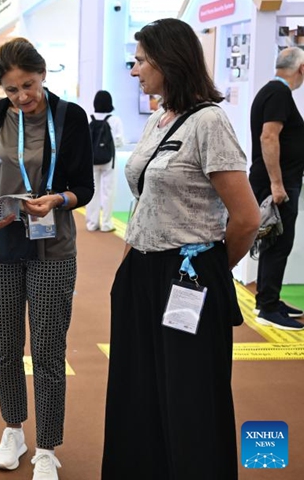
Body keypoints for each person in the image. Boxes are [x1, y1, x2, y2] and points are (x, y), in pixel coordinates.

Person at [102, 19, 260, 480]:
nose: (134, 71)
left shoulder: (210, 122)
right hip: (141, 272)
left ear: (167, 62)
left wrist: (208, 268)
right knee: (140, 387)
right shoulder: (158, 117)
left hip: (187, 275)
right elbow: (147, 197)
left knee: (189, 396)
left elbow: (247, 218)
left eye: (140, 61)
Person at [0, 37, 94, 480]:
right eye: (12, 89)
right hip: (2, 246)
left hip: (52, 247)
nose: (22, 97)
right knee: (4, 348)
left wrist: (57, 198)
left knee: (47, 350)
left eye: (29, 85)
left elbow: (85, 187)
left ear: (43, 75)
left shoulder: (70, 117)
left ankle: (47, 447)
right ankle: (13, 429)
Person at [248, 46, 304, 330]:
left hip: (278, 182)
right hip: (278, 185)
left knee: (276, 243)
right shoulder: (279, 94)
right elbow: (269, 137)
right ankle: (267, 307)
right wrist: (277, 185)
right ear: (301, 68)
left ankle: (270, 299)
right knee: (277, 244)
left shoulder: (273, 93)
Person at [85, 90, 124, 232]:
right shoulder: (115, 120)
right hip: (109, 162)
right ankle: (107, 224)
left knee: (92, 192)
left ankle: (91, 223)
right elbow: (119, 142)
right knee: (108, 192)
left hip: (92, 162)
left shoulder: (89, 119)